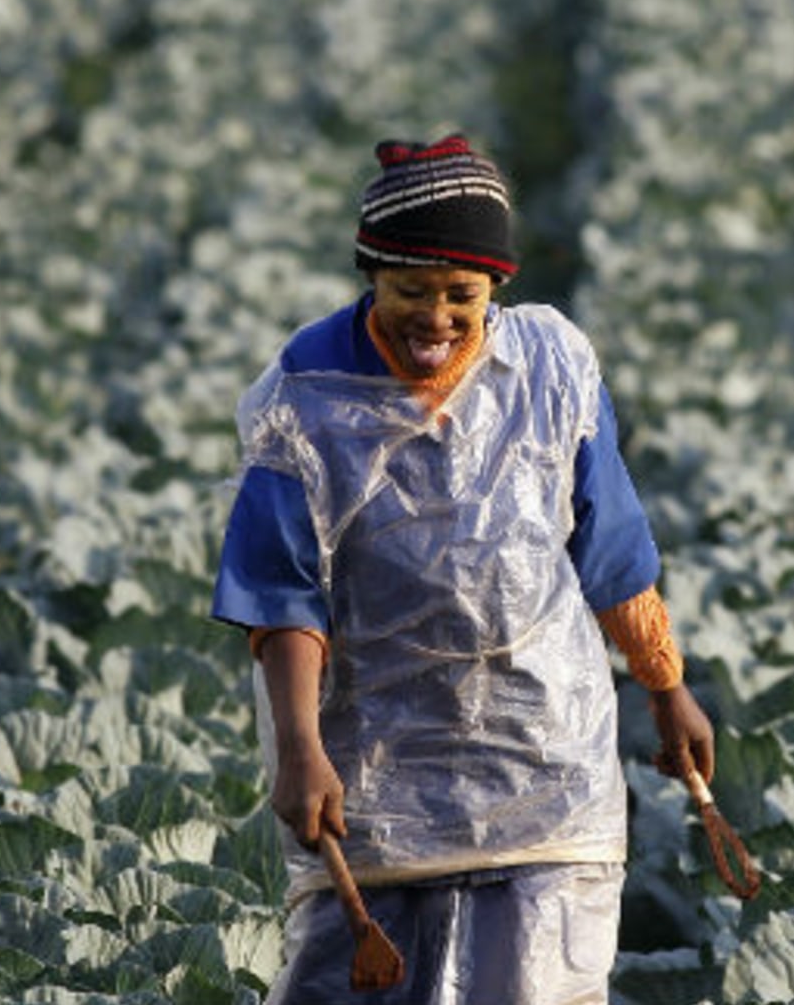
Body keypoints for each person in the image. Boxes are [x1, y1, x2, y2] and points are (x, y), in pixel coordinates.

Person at [212, 133, 717, 1004]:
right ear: (372, 277)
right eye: (412, 291)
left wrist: (665, 683)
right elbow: (284, 592)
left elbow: (610, 545)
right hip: (370, 776)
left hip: (540, 765)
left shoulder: (550, 371)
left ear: (497, 289)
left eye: (463, 295)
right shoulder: (307, 393)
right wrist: (300, 750)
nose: (437, 318)